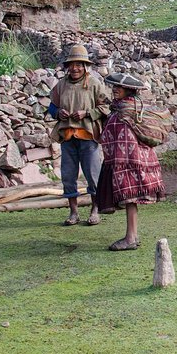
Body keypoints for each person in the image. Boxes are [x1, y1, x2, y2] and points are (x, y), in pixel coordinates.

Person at [98, 72, 166, 251]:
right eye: (114, 87)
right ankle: (133, 235)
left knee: (130, 199)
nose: (115, 90)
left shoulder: (126, 111)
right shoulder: (123, 109)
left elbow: (126, 137)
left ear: (128, 89)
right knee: (131, 200)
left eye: (118, 87)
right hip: (128, 160)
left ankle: (130, 238)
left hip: (130, 161)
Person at [48, 44, 110, 226]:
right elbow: (51, 106)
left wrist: (87, 113)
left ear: (85, 66)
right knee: (68, 175)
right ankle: (73, 212)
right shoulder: (62, 85)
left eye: (79, 64)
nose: (75, 68)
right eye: (72, 64)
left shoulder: (94, 84)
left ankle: (95, 210)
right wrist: (58, 112)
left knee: (93, 174)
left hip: (88, 136)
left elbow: (106, 106)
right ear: (68, 66)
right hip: (68, 137)